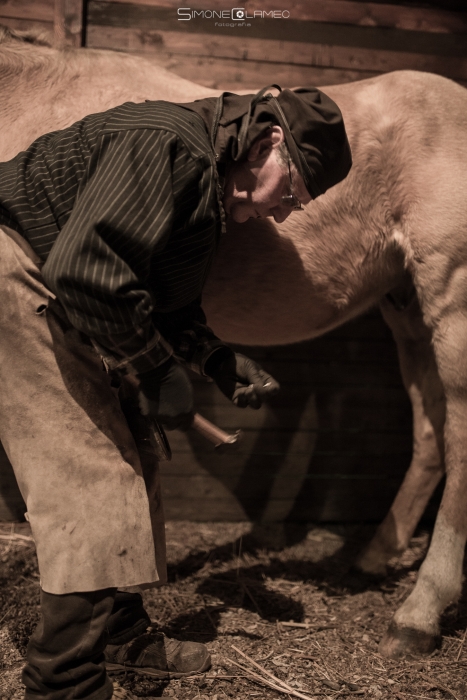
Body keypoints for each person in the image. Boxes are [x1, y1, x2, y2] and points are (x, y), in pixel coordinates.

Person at [0, 84, 351, 700]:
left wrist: (215, 358)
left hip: (58, 287)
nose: (284, 214)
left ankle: (121, 641)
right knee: (94, 472)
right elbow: (85, 270)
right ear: (270, 142)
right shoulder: (169, 146)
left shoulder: (205, 183)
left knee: (133, 453)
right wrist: (159, 372)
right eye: (292, 193)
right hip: (13, 268)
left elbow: (157, 293)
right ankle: (65, 685)